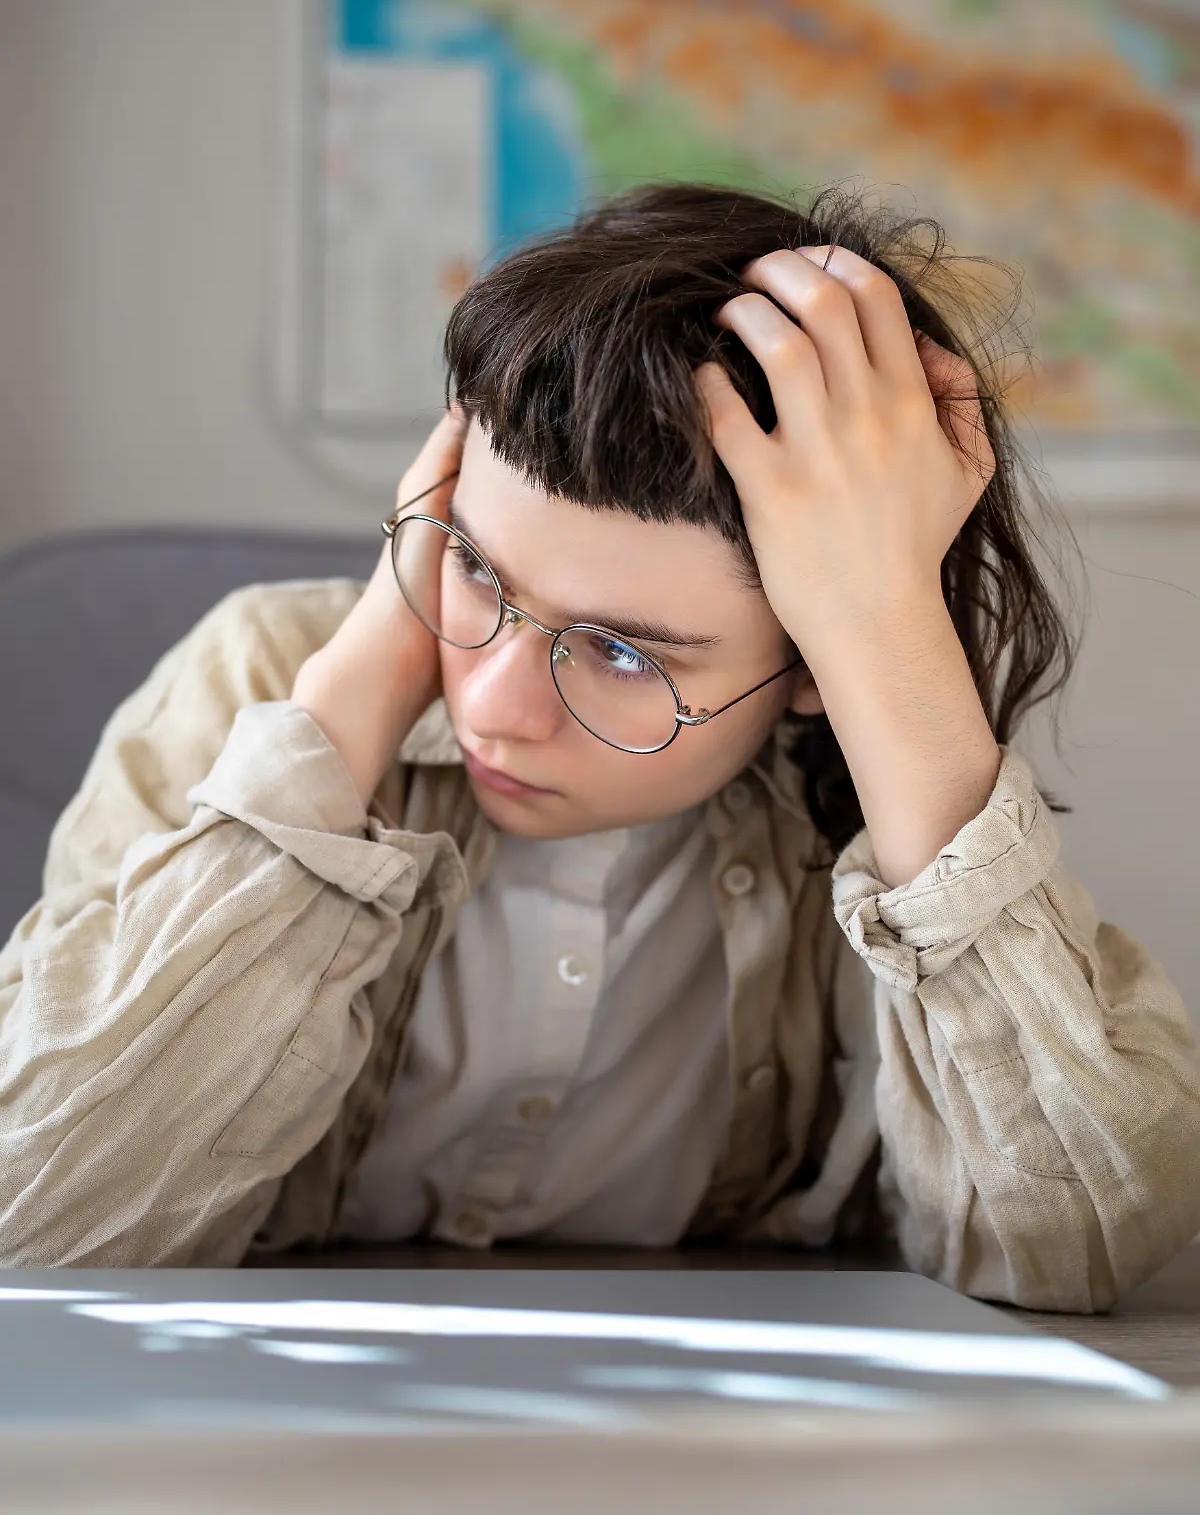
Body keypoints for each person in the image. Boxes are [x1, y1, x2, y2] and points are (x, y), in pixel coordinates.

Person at [1, 183, 1197, 1310]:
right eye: (478, 565)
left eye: (626, 654)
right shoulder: (261, 680)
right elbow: (41, 1212)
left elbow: (1069, 1250)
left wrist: (887, 639)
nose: (499, 708)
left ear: (811, 672)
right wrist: (366, 675)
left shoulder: (871, 793)